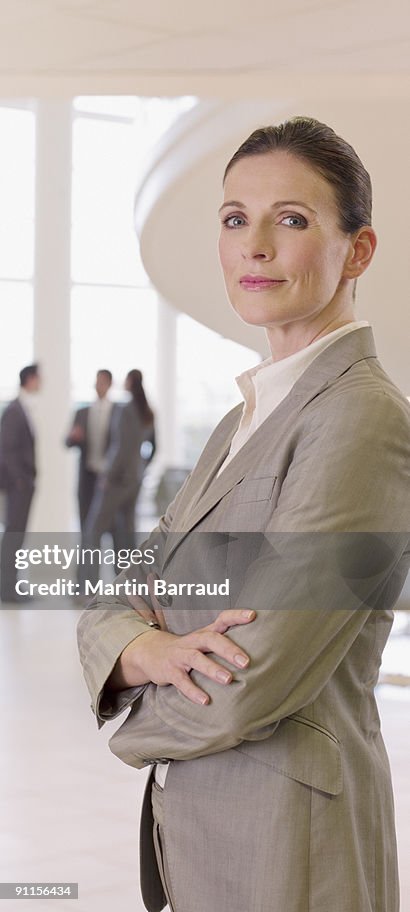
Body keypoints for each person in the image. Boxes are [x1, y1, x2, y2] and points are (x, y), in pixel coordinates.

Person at [78, 118, 410, 912]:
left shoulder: (360, 420)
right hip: (205, 831)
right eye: (235, 219)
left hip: (288, 844)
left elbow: (253, 679)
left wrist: (131, 715)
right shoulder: (242, 420)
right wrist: (144, 642)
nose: (253, 245)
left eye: (290, 220)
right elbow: (117, 594)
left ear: (357, 251)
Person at [82, 369, 155, 583]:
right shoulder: (148, 411)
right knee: (127, 533)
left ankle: (87, 586)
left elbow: (119, 447)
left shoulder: (125, 410)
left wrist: (107, 475)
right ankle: (129, 586)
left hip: (117, 479)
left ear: (129, 382)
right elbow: (153, 447)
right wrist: (141, 467)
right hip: (135, 479)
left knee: (93, 530)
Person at [0, 364, 41, 602]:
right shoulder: (15, 410)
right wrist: (19, 480)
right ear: (30, 379)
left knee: (17, 535)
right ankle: (6, 587)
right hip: (18, 486)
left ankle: (10, 583)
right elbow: (6, 449)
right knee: (13, 535)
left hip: (23, 484)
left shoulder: (23, 407)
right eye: (39, 379)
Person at [65, 369, 117, 529]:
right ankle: (88, 554)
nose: (98, 386)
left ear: (109, 384)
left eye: (102, 382)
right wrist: (73, 437)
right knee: (85, 522)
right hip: (87, 475)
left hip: (108, 476)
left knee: (109, 524)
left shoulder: (119, 412)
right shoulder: (82, 412)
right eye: (96, 382)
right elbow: (67, 442)